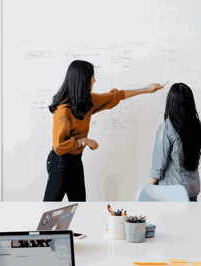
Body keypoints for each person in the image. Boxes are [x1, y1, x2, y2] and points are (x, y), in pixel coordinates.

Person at [44, 60, 163, 202]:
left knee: (79, 208)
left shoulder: (87, 101)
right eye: (92, 77)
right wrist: (83, 141)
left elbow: (116, 95)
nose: (94, 80)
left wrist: (146, 89)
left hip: (75, 161)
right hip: (59, 163)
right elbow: (58, 147)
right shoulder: (63, 111)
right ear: (83, 80)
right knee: (50, 211)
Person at [149, 83, 201, 202]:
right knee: (189, 221)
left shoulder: (167, 127)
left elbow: (158, 165)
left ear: (171, 102)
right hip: (191, 191)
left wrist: (148, 188)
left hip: (170, 193)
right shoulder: (198, 126)